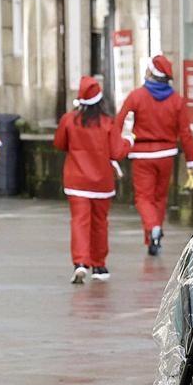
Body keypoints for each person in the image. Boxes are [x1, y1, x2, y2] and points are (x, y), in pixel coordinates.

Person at [116, 54, 193, 255]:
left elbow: (119, 124)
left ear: (151, 73)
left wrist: (116, 152)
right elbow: (185, 133)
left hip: (142, 155)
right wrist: (192, 160)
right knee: (160, 197)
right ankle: (153, 239)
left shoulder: (136, 97)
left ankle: (153, 228)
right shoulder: (176, 101)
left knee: (144, 198)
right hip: (166, 155)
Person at [53, 76, 129, 284]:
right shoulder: (107, 123)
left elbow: (59, 143)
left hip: (76, 182)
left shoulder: (69, 119)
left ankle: (80, 262)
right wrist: (128, 142)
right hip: (102, 183)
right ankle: (99, 264)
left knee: (79, 221)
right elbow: (116, 151)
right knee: (99, 223)